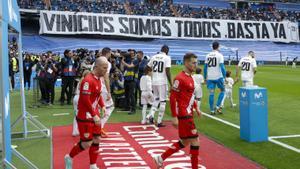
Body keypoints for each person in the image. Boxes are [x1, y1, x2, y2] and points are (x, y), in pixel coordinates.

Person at [153, 53, 201, 169]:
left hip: (188, 113)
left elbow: (188, 96)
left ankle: (160, 158)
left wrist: (196, 107)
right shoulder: (180, 78)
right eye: (193, 62)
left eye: (196, 62)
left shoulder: (190, 77)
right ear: (186, 62)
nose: (196, 65)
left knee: (184, 142)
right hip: (184, 114)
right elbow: (173, 97)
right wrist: (174, 117)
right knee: (195, 141)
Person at [64, 57, 108, 169]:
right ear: (97, 67)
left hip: (95, 115)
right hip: (85, 116)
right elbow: (85, 99)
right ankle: (69, 157)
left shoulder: (98, 79)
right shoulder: (87, 80)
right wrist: (93, 115)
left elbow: (97, 95)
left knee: (97, 139)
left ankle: (92, 165)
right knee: (86, 143)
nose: (106, 70)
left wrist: (102, 106)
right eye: (104, 67)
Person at [146, 45, 172, 127]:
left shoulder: (154, 57)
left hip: (154, 81)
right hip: (162, 82)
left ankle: (151, 115)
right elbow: (167, 71)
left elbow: (147, 67)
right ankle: (160, 121)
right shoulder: (167, 58)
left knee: (156, 99)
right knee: (163, 101)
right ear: (167, 51)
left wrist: (151, 73)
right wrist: (171, 83)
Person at [204, 41, 226, 115]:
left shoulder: (207, 55)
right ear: (218, 47)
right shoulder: (220, 55)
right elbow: (222, 67)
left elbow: (205, 68)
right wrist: (225, 77)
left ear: (212, 47)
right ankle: (217, 106)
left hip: (210, 78)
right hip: (218, 77)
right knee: (223, 91)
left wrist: (205, 77)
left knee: (211, 94)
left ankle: (212, 110)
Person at [98, 47, 114, 138]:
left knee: (99, 107)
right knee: (110, 107)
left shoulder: (96, 61)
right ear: (108, 53)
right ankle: (100, 127)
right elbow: (106, 77)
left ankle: (96, 127)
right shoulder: (107, 63)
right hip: (102, 87)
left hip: (95, 86)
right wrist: (109, 91)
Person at [72, 70, 90, 137]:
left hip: (76, 97)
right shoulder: (85, 81)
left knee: (77, 115)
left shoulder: (81, 80)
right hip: (80, 98)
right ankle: (84, 130)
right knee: (84, 115)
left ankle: (75, 131)